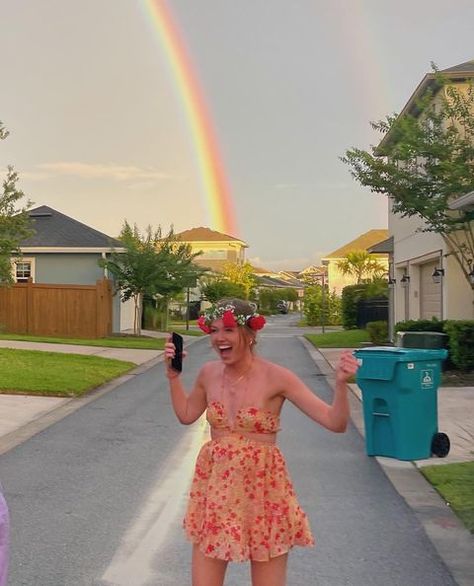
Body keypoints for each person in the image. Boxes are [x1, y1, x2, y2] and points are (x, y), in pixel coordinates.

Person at [165, 298, 358, 586]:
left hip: (264, 493)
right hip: (217, 494)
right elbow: (186, 414)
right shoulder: (208, 373)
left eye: (229, 330)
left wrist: (341, 384)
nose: (219, 338)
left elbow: (335, 422)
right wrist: (173, 377)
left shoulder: (278, 377)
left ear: (251, 334)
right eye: (214, 330)